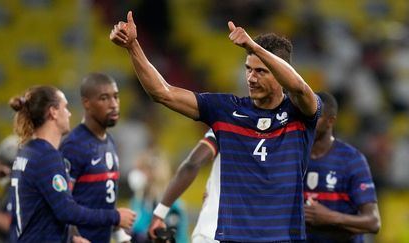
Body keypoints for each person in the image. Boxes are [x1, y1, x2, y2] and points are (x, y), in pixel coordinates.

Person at [110, 11, 320, 242]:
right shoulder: (227, 110)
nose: (250, 78)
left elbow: (299, 87)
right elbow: (163, 93)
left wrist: (255, 47)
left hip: (283, 238)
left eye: (260, 71)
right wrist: (133, 47)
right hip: (233, 237)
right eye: (248, 69)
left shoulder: (299, 113)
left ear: (280, 74)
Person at [8, 85, 136, 242]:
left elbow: (44, 210)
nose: (69, 113)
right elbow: (67, 211)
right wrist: (115, 216)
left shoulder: (27, 151)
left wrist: (71, 238)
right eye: (65, 107)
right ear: (53, 112)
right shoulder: (47, 157)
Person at [59, 72, 132, 243]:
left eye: (116, 97)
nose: (113, 105)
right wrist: (74, 237)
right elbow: (62, 205)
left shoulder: (110, 142)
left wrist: (120, 236)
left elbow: (106, 201)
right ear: (87, 103)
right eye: (104, 98)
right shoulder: (74, 145)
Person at [303, 91, 381, 243]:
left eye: (316, 116)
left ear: (331, 121)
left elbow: (373, 222)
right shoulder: (293, 156)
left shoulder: (351, 160)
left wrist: (330, 217)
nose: (309, 121)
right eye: (306, 115)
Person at [148, 129, 219, 243]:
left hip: (213, 230)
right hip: (253, 231)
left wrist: (159, 214)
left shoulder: (228, 123)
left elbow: (193, 163)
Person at [127, 148, 189, 243]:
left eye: (141, 169)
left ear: (153, 172)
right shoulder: (137, 200)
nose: (136, 174)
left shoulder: (172, 205)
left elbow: (169, 238)